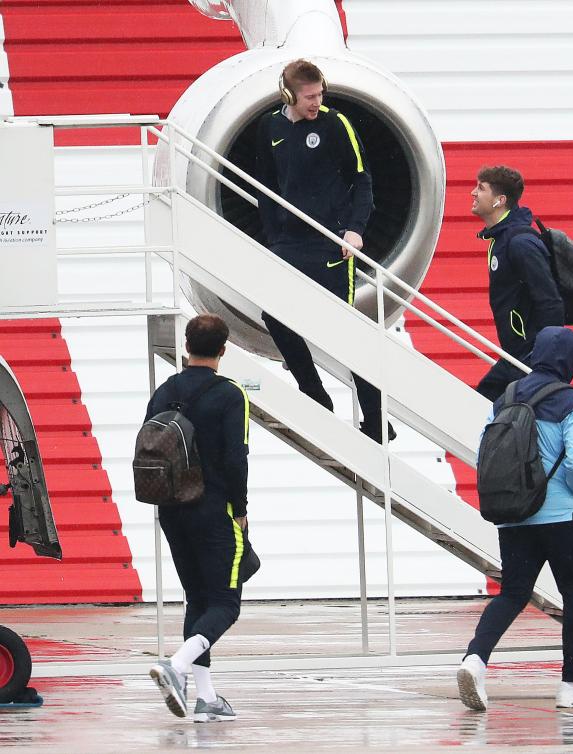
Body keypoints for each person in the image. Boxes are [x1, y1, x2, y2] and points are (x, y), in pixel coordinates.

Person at [457, 326, 573, 711]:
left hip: (514, 517)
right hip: (561, 517)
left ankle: (474, 659)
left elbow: (485, 453)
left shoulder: (506, 397)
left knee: (513, 593)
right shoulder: (572, 400)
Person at [255, 58, 393, 443]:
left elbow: (362, 180)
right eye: (309, 97)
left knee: (343, 331)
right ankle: (314, 395)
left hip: (332, 241)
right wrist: (271, 237)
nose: (316, 102)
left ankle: (377, 419)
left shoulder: (336, 124)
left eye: (320, 95)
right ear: (289, 95)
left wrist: (355, 230)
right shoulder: (271, 128)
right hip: (287, 242)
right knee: (276, 316)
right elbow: (264, 188)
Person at [147, 314, 250, 723]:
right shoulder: (230, 394)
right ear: (224, 350)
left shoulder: (164, 391)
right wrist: (240, 510)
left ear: (186, 345)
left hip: (172, 508)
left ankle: (206, 697)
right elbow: (235, 459)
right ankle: (178, 666)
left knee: (199, 598)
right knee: (226, 602)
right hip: (214, 508)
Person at [471, 165, 565, 402]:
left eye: (481, 188)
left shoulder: (520, 242)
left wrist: (543, 361)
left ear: (499, 200)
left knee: (478, 410)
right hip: (514, 354)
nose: (473, 193)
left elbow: (551, 302)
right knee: (478, 411)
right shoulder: (501, 238)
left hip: (528, 358)